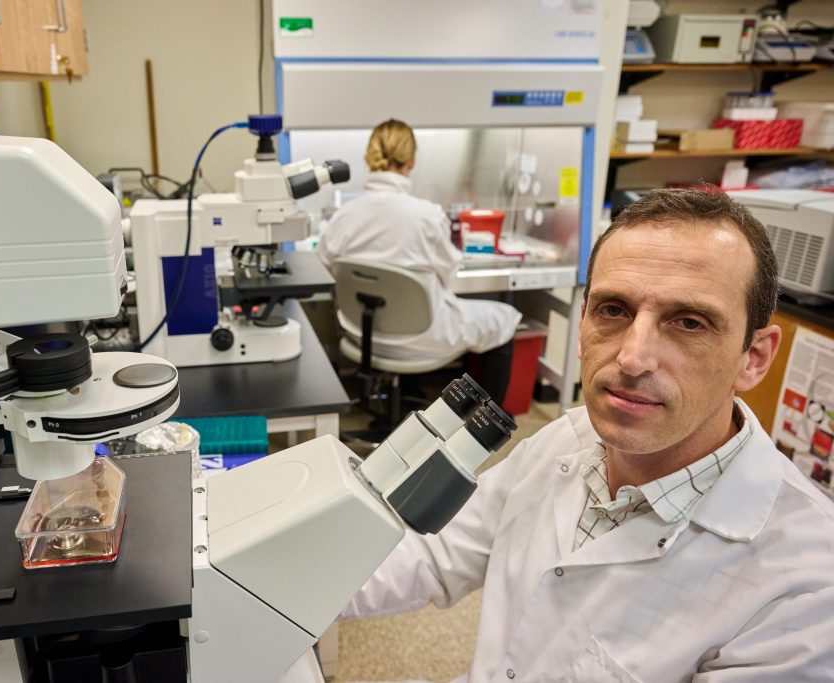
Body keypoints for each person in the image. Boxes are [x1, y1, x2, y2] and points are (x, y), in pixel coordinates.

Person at [342, 188, 834, 681]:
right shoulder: (566, 439)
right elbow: (433, 553)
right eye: (613, 310)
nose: (632, 359)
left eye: (689, 322)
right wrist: (281, 585)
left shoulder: (807, 584)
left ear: (755, 357)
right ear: (581, 325)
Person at [317, 119, 521, 404]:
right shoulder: (427, 215)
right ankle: (484, 429)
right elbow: (449, 273)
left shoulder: (344, 216)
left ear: (369, 159)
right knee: (504, 319)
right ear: (411, 162)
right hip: (423, 338)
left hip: (362, 336)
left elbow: (322, 266)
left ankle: (407, 394)